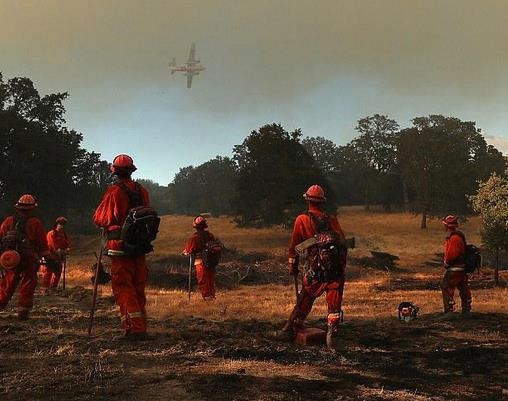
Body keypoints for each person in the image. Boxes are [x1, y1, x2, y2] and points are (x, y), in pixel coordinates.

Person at [277, 185, 347, 348]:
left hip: (315, 270)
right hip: (335, 270)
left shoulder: (302, 220)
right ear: (322, 202)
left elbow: (294, 246)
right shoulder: (332, 219)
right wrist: (340, 265)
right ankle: (332, 333)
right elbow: (343, 243)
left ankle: (291, 328)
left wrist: (292, 265)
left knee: (305, 298)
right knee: (334, 300)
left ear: (307, 200)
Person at [93, 154, 151, 338]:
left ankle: (133, 328)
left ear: (115, 172)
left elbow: (100, 218)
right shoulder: (143, 191)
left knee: (123, 286)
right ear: (131, 171)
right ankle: (140, 325)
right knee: (138, 286)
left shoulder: (114, 191)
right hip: (140, 247)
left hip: (120, 247)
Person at [0, 194, 49, 320]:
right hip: (29, 258)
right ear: (32, 209)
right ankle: (22, 312)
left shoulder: (8, 221)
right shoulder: (35, 223)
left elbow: (1, 237)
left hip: (11, 258)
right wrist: (48, 258)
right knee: (28, 282)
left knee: (7, 283)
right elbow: (42, 243)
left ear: (18, 207)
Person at [182, 216, 220, 300]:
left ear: (195, 226)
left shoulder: (194, 237)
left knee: (203, 280)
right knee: (210, 279)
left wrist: (185, 252)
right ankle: (212, 296)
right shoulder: (210, 235)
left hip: (200, 262)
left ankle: (207, 297)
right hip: (211, 261)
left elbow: (189, 250)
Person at [441, 215, 472, 314]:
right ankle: (466, 310)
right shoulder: (458, 237)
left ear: (447, 226)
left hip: (454, 270)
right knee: (463, 289)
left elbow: (451, 255)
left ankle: (449, 311)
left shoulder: (454, 238)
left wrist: (446, 262)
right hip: (462, 269)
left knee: (446, 286)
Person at [40, 216, 71, 294]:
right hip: (49, 257)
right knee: (48, 272)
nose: (62, 226)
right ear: (56, 225)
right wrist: (62, 251)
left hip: (58, 257)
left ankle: (53, 288)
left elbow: (68, 245)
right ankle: (44, 289)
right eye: (60, 224)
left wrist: (66, 250)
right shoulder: (51, 234)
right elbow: (53, 247)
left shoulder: (65, 235)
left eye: (64, 224)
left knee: (58, 272)